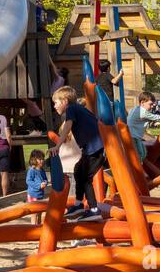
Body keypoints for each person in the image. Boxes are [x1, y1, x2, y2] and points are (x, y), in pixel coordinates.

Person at [53, 86, 105, 220]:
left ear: (65, 101)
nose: (54, 106)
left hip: (95, 149)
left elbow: (67, 127)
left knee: (85, 178)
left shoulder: (71, 109)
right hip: (92, 149)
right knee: (78, 170)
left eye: (56, 102)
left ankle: (94, 210)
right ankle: (78, 204)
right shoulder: (80, 109)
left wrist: (57, 145)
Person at [126, 91, 160, 161]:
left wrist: (152, 123)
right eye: (151, 104)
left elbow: (141, 121)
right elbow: (155, 117)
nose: (152, 107)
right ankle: (138, 168)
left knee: (144, 152)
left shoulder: (135, 109)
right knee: (140, 155)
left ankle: (140, 164)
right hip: (133, 137)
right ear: (142, 103)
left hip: (132, 135)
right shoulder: (143, 111)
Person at [26, 150, 49, 221]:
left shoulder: (42, 170)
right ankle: (33, 227)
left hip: (40, 195)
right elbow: (28, 181)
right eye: (40, 159)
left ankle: (38, 226)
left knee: (40, 212)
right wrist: (39, 185)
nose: (42, 161)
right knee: (34, 213)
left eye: (43, 159)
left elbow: (45, 179)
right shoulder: (32, 170)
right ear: (34, 160)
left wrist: (45, 183)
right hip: (33, 195)